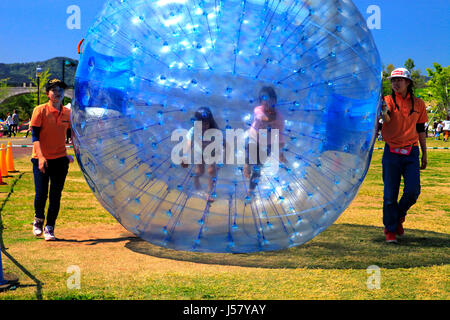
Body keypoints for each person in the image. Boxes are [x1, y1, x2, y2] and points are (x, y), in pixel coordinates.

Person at [380, 68, 428, 243]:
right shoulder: (387, 100)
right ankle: (390, 230)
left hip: (411, 152)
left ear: (408, 83)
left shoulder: (419, 104)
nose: (396, 83)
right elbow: (387, 119)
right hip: (391, 151)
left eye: (400, 80)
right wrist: (384, 112)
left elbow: (421, 129)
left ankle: (398, 216)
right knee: (389, 195)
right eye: (393, 80)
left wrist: (424, 153)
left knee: (413, 191)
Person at [30, 79, 74, 241]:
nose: (57, 93)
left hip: (60, 161)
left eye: (60, 90)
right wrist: (41, 158)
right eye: (54, 90)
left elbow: (73, 136)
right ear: (48, 93)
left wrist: (69, 154)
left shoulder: (68, 113)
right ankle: (38, 220)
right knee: (41, 194)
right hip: (41, 160)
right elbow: (35, 137)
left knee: (55, 195)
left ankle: (50, 228)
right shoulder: (40, 110)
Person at [244, 86, 287, 194]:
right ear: (261, 102)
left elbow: (280, 134)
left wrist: (280, 152)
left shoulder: (279, 117)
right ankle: (247, 165)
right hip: (253, 139)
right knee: (250, 158)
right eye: (264, 100)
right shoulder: (258, 110)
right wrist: (267, 119)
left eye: (270, 100)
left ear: (275, 100)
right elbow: (259, 117)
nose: (267, 103)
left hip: (267, 144)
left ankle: (250, 190)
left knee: (258, 167)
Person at [181, 107, 220, 202]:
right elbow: (189, 144)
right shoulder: (193, 130)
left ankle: (209, 193)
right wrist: (185, 156)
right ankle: (196, 180)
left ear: (210, 122)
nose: (204, 126)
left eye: (206, 123)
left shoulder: (214, 130)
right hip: (199, 151)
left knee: (212, 171)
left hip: (212, 151)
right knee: (200, 172)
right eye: (201, 124)